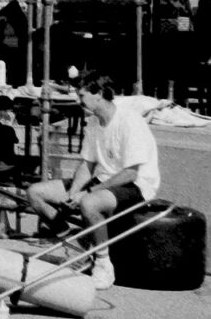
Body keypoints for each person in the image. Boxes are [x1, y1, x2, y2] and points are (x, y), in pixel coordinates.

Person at [25, 72, 161, 290]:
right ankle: (76, 245)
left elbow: (131, 173)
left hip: (136, 185)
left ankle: (103, 264)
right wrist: (73, 192)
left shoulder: (129, 121)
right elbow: (87, 165)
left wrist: (88, 193)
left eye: (82, 96)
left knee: (89, 204)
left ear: (98, 94)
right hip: (104, 179)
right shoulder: (93, 123)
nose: (79, 101)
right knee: (35, 193)